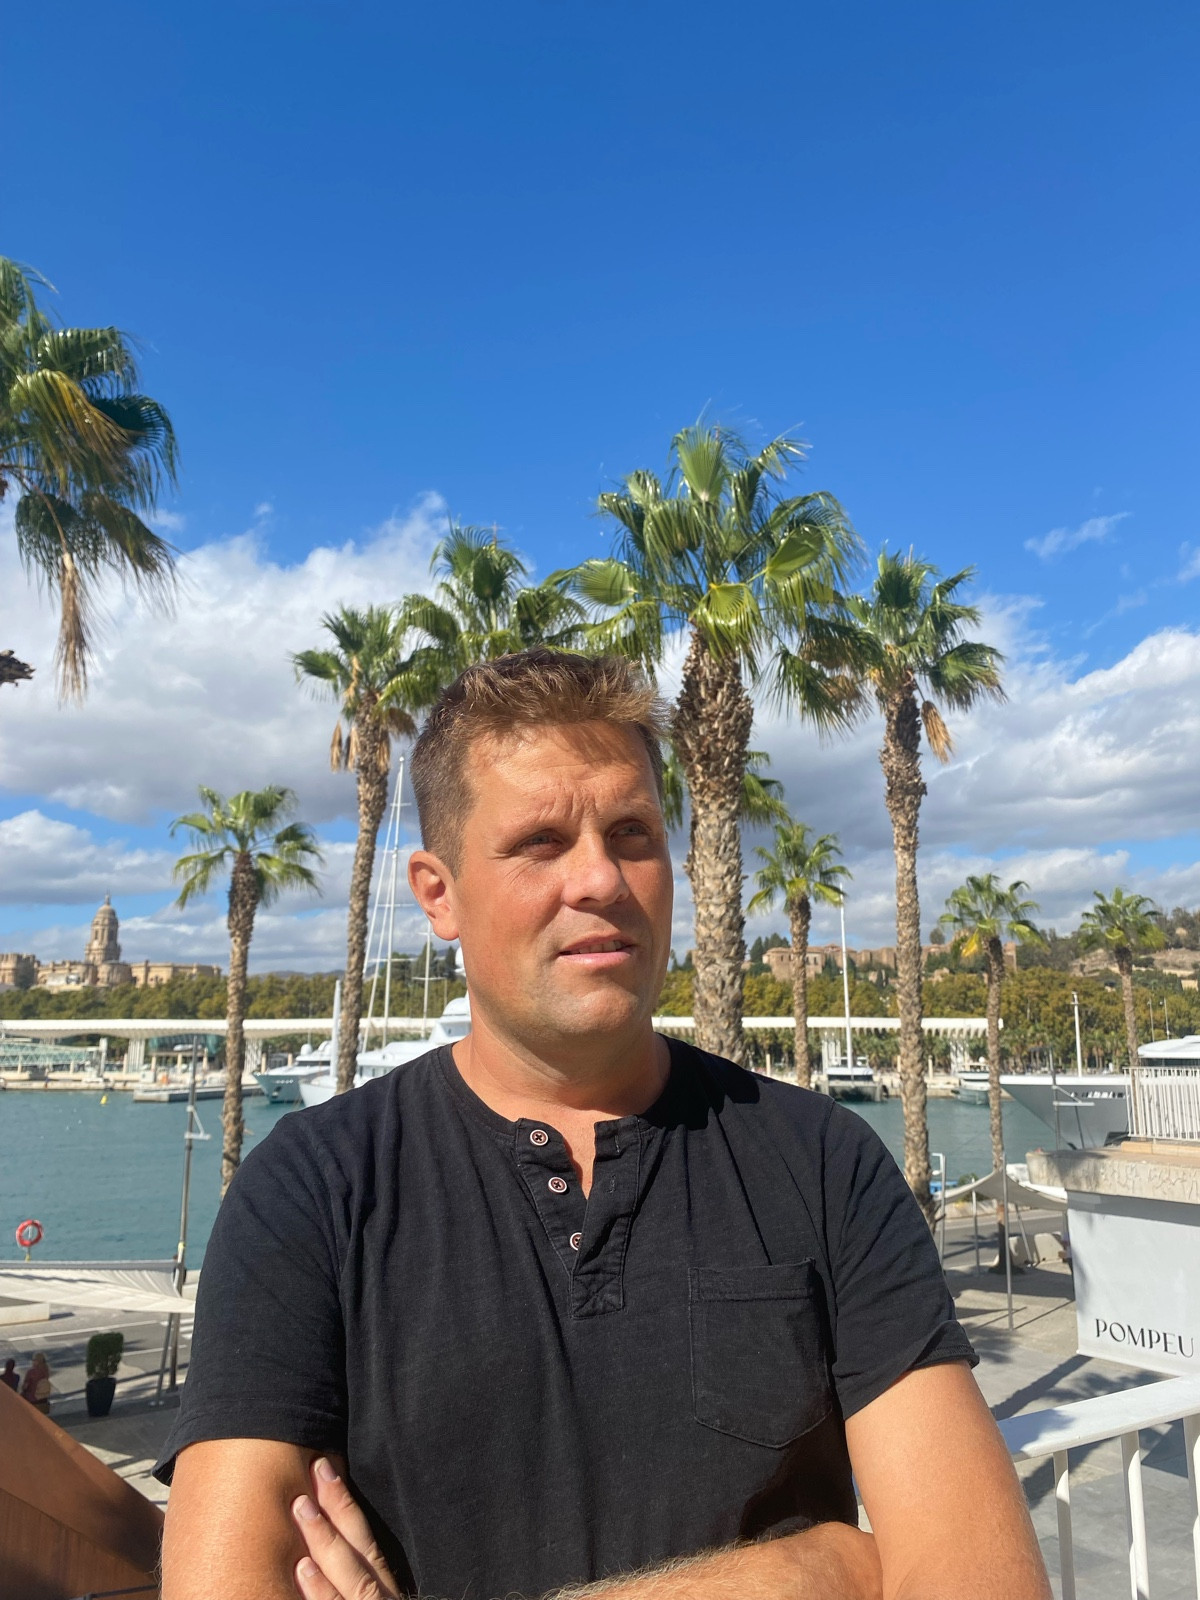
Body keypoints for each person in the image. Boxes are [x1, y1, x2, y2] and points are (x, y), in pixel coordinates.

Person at [159, 649, 1049, 1600]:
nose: (600, 878)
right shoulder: (314, 1191)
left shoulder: (825, 1164)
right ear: (438, 894)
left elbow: (982, 1578)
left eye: (632, 833)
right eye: (541, 842)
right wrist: (814, 1571)